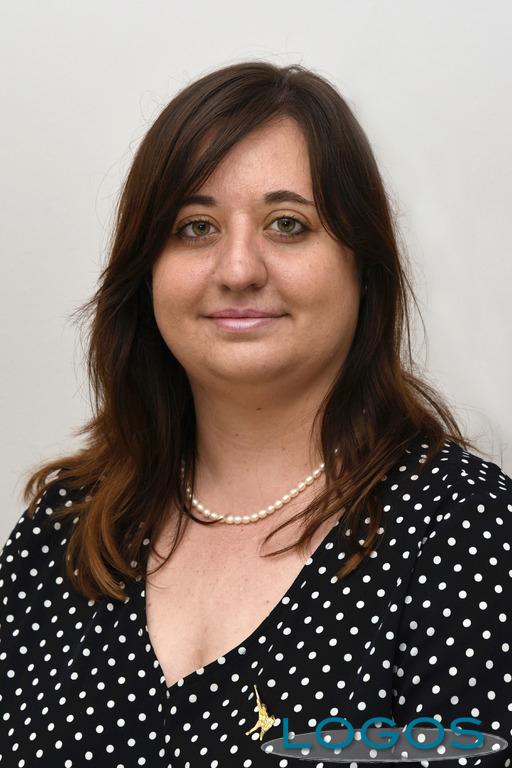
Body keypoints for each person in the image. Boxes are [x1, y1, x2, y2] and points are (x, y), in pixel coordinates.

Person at [1, 61, 511, 768]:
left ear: (363, 266)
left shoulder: (467, 532)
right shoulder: (61, 533)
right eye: (195, 227)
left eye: (287, 224)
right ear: (145, 273)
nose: (238, 269)